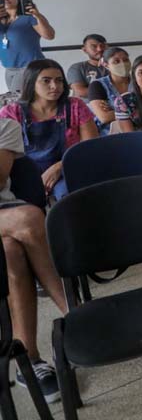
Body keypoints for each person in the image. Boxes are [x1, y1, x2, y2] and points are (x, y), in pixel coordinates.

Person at [0, 116, 68, 402]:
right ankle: (75, 315)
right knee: (28, 219)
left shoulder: (5, 126)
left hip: (4, 215)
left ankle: (28, 361)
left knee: (11, 251)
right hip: (13, 217)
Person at [0, 60, 98, 200]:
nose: (54, 86)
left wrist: (59, 167)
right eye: (46, 81)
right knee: (26, 206)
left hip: (68, 167)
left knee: (69, 197)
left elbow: (90, 147)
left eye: (59, 80)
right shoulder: (12, 112)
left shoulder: (75, 106)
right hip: (23, 173)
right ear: (31, 82)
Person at [0, 0, 55, 95]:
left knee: (19, 102)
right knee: (17, 102)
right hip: (9, 69)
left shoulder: (29, 17)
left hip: (29, 67)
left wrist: (38, 15)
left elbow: (49, 36)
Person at [87, 47, 132, 136]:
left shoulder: (138, 82)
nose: (122, 64)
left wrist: (116, 111)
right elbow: (104, 117)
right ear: (106, 65)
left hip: (140, 130)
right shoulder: (97, 85)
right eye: (116, 61)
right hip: (109, 135)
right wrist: (138, 110)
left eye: (125, 60)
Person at [66, 33, 108, 99]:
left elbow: (125, 87)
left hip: (114, 106)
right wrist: (112, 91)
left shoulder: (114, 66)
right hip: (86, 107)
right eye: (94, 46)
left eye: (102, 46)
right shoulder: (77, 67)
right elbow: (80, 92)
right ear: (85, 50)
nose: (99, 49)